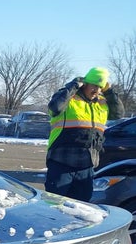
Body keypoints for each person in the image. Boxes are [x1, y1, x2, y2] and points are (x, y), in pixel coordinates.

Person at [45, 66, 124, 202]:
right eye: (94, 85)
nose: (96, 90)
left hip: (86, 166)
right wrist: (73, 85)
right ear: (85, 83)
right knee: (54, 206)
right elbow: (55, 107)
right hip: (61, 162)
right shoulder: (69, 99)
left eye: (100, 87)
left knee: (82, 208)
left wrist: (109, 91)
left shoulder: (101, 103)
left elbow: (118, 113)